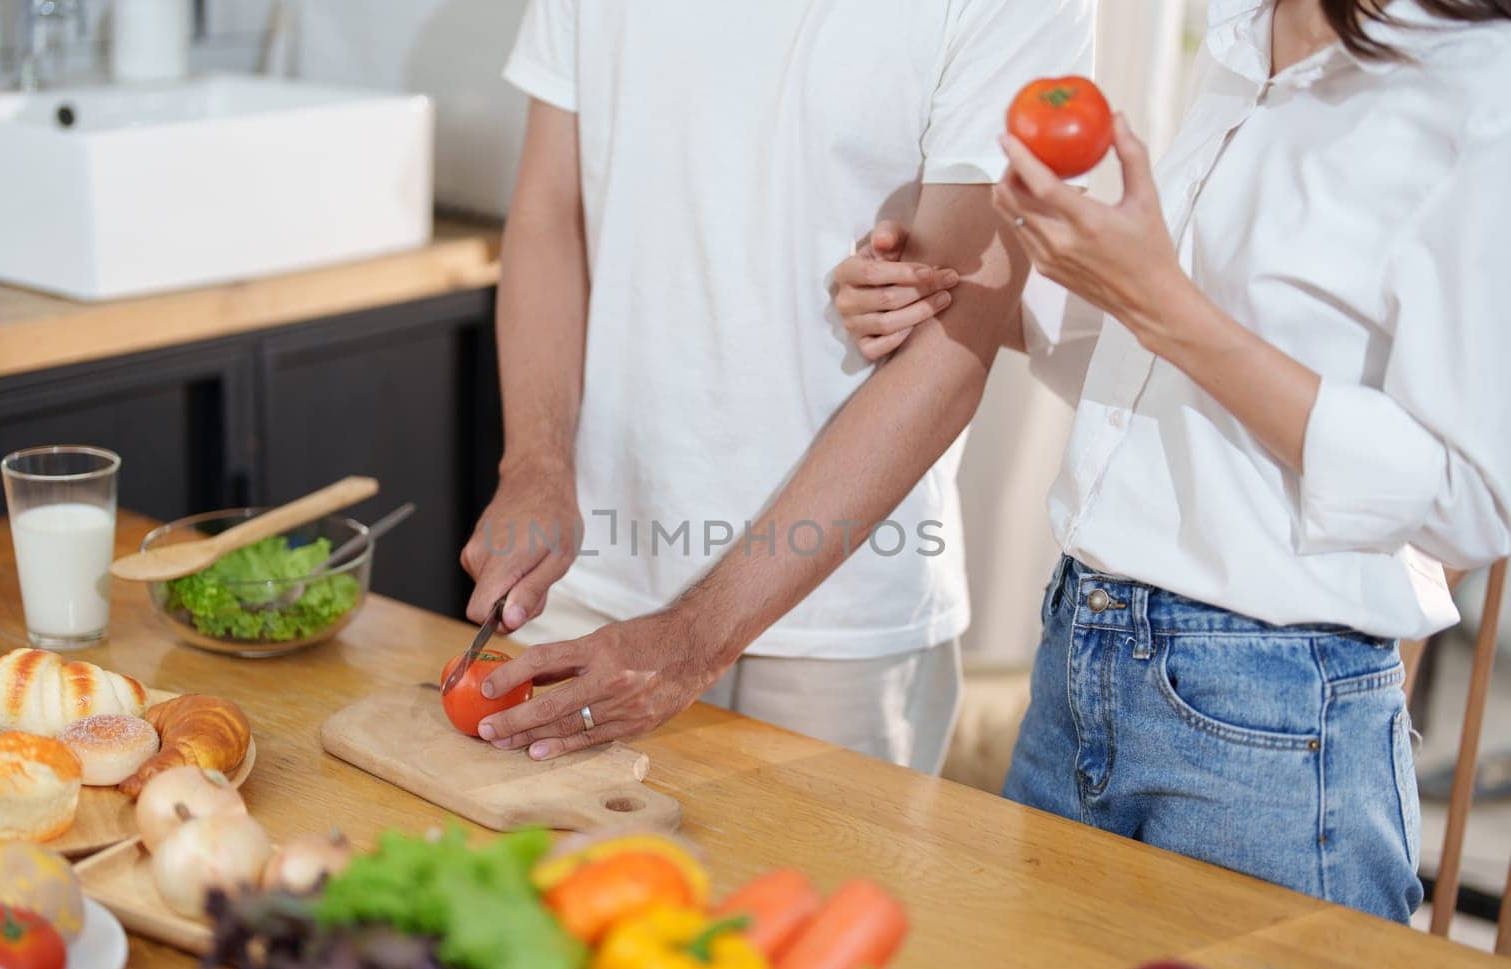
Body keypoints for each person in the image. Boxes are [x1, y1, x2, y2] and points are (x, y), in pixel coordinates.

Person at [831, 0, 1511, 920]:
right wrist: (949, 290)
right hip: (1084, 645)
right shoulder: (1246, 39)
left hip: (1272, 717)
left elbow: (1473, 497)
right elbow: (1168, 375)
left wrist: (1164, 305)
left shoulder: (1480, 87)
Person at [457, 2, 1095, 772]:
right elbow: (550, 213)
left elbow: (952, 342)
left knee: (814, 897)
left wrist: (694, 639)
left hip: (835, 622)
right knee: (557, 887)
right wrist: (534, 461)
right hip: (587, 570)